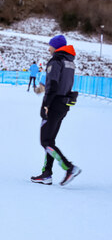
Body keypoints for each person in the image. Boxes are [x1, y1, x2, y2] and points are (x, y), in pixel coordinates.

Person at [31, 34, 81, 186]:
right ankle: (47, 174)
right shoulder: (69, 61)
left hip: (54, 104)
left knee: (45, 141)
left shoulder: (56, 61)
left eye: (50, 46)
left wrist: (45, 104)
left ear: (56, 47)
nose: (49, 49)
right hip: (64, 104)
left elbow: (53, 84)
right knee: (50, 140)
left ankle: (69, 167)